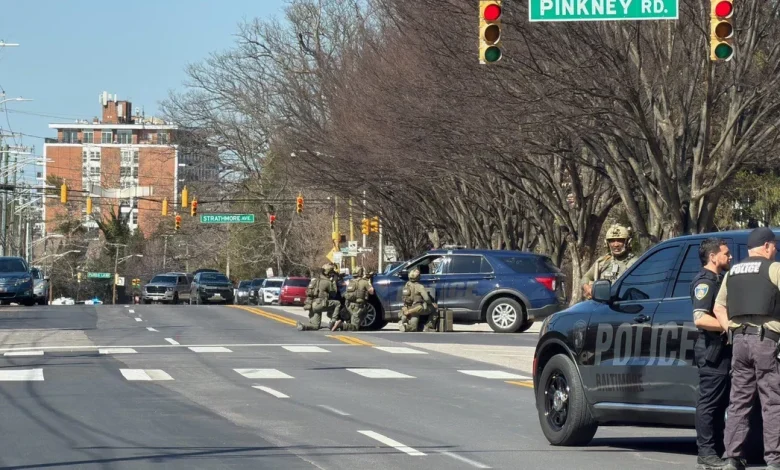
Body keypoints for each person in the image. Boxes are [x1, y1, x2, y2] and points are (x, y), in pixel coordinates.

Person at [713, 227, 780, 470]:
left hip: (739, 342)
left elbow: (719, 307)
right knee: (773, 401)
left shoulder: (733, 273)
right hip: (767, 341)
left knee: (739, 401)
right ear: (766, 246)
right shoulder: (774, 269)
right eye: (774, 247)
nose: (775, 251)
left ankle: (732, 456)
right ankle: (775, 460)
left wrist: (731, 331)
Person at [690, 237, 732, 469]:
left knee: (721, 402)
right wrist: (730, 326)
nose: (730, 257)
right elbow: (700, 318)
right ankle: (706, 453)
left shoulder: (721, 278)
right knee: (709, 402)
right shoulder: (705, 282)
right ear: (713, 256)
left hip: (723, 349)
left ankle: (717, 450)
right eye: (725, 253)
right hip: (711, 349)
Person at [581, 224, 638, 300]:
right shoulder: (602, 262)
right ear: (607, 243)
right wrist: (587, 288)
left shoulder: (635, 263)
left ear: (628, 242)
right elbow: (586, 277)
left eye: (620, 240)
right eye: (612, 241)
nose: (616, 244)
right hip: (601, 305)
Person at [297, 264, 340, 331]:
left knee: (316, 326)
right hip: (320, 304)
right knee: (337, 303)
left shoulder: (314, 280)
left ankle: (304, 326)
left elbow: (307, 292)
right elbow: (333, 293)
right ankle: (333, 322)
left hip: (312, 305)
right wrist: (334, 281)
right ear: (329, 273)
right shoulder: (327, 282)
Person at [334, 266, 374, 331]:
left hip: (349, 306)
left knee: (353, 320)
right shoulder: (364, 282)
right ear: (361, 273)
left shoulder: (349, 282)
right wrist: (369, 282)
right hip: (358, 308)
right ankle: (341, 325)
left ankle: (334, 323)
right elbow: (371, 292)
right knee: (355, 327)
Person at [398, 268, 438, 332]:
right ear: (418, 277)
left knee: (413, 328)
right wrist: (431, 303)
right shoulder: (419, 286)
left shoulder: (407, 285)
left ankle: (404, 325)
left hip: (408, 307)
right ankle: (428, 326)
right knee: (435, 308)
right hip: (417, 308)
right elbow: (427, 298)